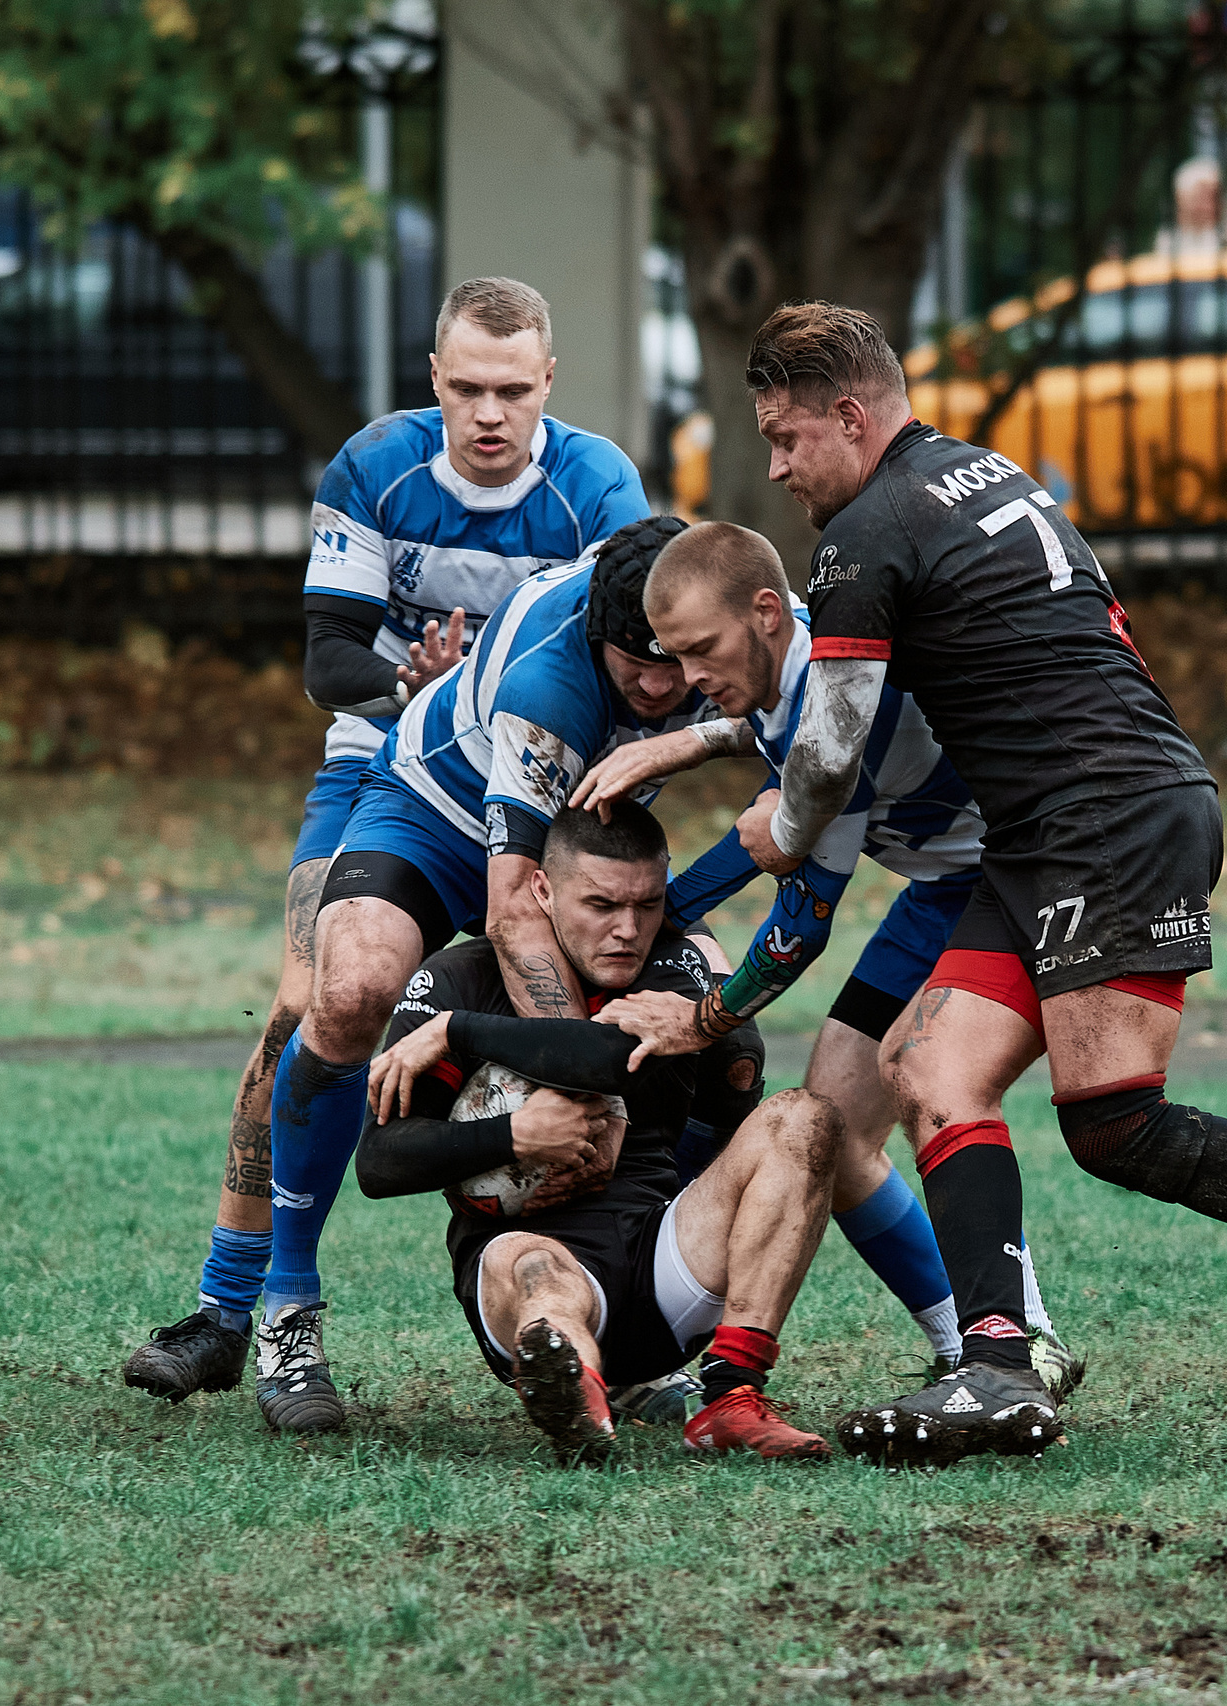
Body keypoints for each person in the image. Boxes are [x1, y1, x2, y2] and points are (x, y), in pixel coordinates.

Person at [733, 300, 1227, 1466]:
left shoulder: (865, 533)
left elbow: (828, 755)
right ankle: (992, 1365)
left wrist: (779, 828)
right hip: (1044, 831)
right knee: (928, 1067)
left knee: (1114, 1122)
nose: (776, 466)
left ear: (849, 413)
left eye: (787, 438)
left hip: (1110, 822)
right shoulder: (980, 471)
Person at [122, 276, 648, 1412]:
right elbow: (328, 657)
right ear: (434, 381)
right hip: (387, 766)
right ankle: (246, 1309)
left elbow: (627, 657)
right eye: (467, 389)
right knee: (320, 997)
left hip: (546, 789)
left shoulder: (599, 485)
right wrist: (425, 679)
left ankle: (629, 1317)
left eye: (513, 390)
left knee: (600, 1015)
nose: (489, 414)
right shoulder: (376, 465)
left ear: (548, 382)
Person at [253, 514, 740, 1436]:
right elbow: (516, 904)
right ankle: (286, 1312)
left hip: (591, 854)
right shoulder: (548, 680)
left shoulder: (734, 614)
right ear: (599, 629)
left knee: (715, 1017)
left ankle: (626, 1304)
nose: (660, 687)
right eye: (635, 665)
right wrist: (571, 1096)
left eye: (676, 664)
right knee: (351, 990)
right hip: (437, 806)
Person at [569, 520, 1080, 1396]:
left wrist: (701, 1020)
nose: (688, 681)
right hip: (944, 891)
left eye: (700, 653)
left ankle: (1018, 1339)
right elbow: (769, 764)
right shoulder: (804, 645)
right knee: (835, 1126)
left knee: (927, 1096)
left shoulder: (837, 724)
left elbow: (799, 927)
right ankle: (983, 1339)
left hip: (1003, 888)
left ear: (765, 613)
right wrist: (686, 769)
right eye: (674, 657)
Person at [356, 799, 839, 1461]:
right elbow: (379, 1164)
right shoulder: (456, 980)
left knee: (805, 1119)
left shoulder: (670, 965)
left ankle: (731, 1395)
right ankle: (573, 1394)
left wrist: (457, 1035)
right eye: (602, 905)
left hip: (662, 1255)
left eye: (646, 905)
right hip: (519, 1259)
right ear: (542, 890)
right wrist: (516, 1137)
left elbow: (607, 1056)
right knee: (535, 1272)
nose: (628, 930)